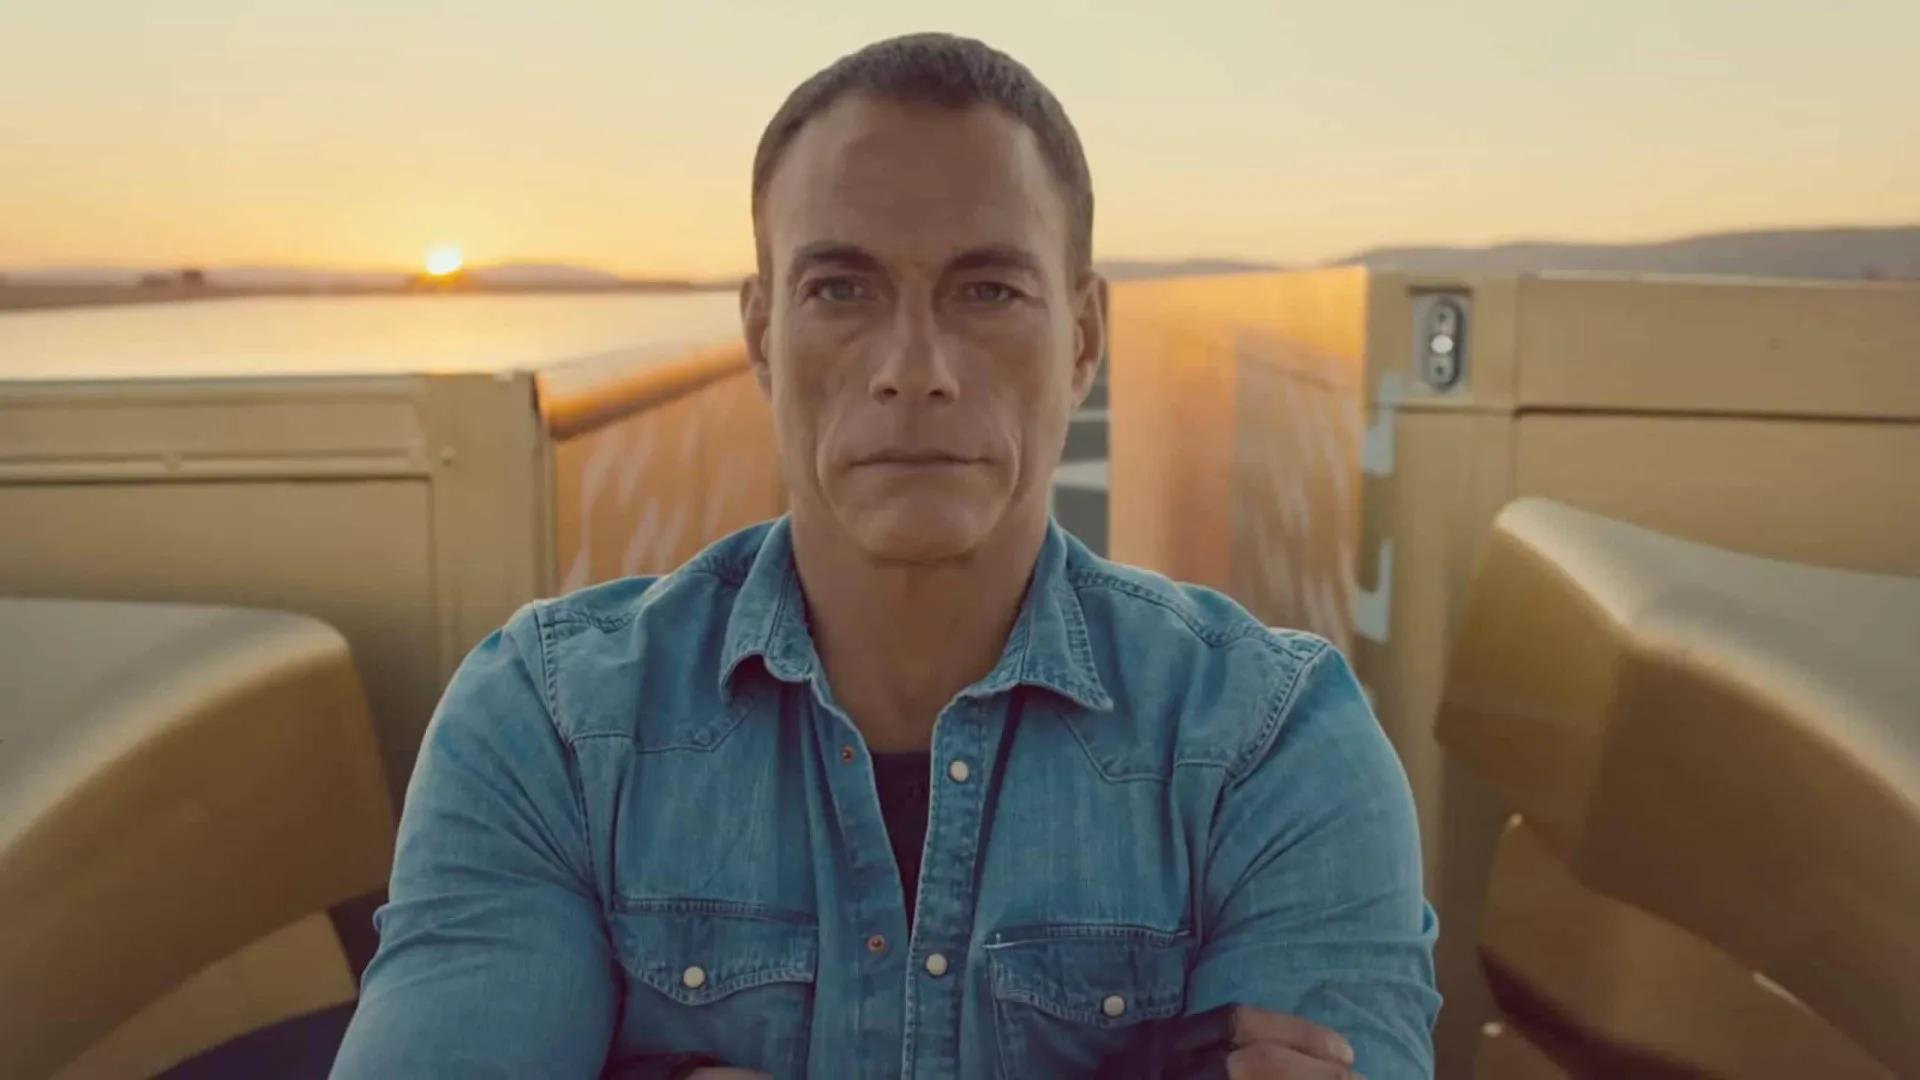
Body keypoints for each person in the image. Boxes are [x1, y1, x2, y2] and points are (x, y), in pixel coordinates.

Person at [330, 31, 1439, 1080]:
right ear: (762, 334)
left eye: (988, 291)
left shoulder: (1267, 745)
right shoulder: (556, 727)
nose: (916, 367)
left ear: (1084, 340)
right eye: (841, 290)